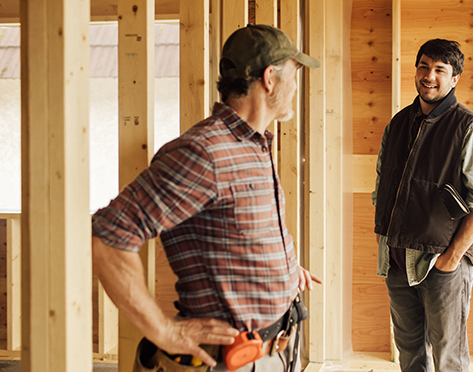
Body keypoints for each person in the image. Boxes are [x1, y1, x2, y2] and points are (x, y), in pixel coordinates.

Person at [92, 24, 321, 372]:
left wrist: (284, 270)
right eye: (294, 75)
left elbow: (237, 229)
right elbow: (108, 235)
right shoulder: (206, 152)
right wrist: (162, 329)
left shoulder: (254, 145)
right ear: (269, 77)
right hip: (227, 360)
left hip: (275, 349)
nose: (295, 86)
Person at [372, 39, 473, 372]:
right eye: (423, 66)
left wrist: (452, 258)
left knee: (448, 356)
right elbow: (382, 187)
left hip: (442, 262)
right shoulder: (397, 124)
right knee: (409, 351)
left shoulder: (471, 128)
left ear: (454, 78)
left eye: (440, 70)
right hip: (398, 260)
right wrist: (384, 241)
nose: (429, 76)